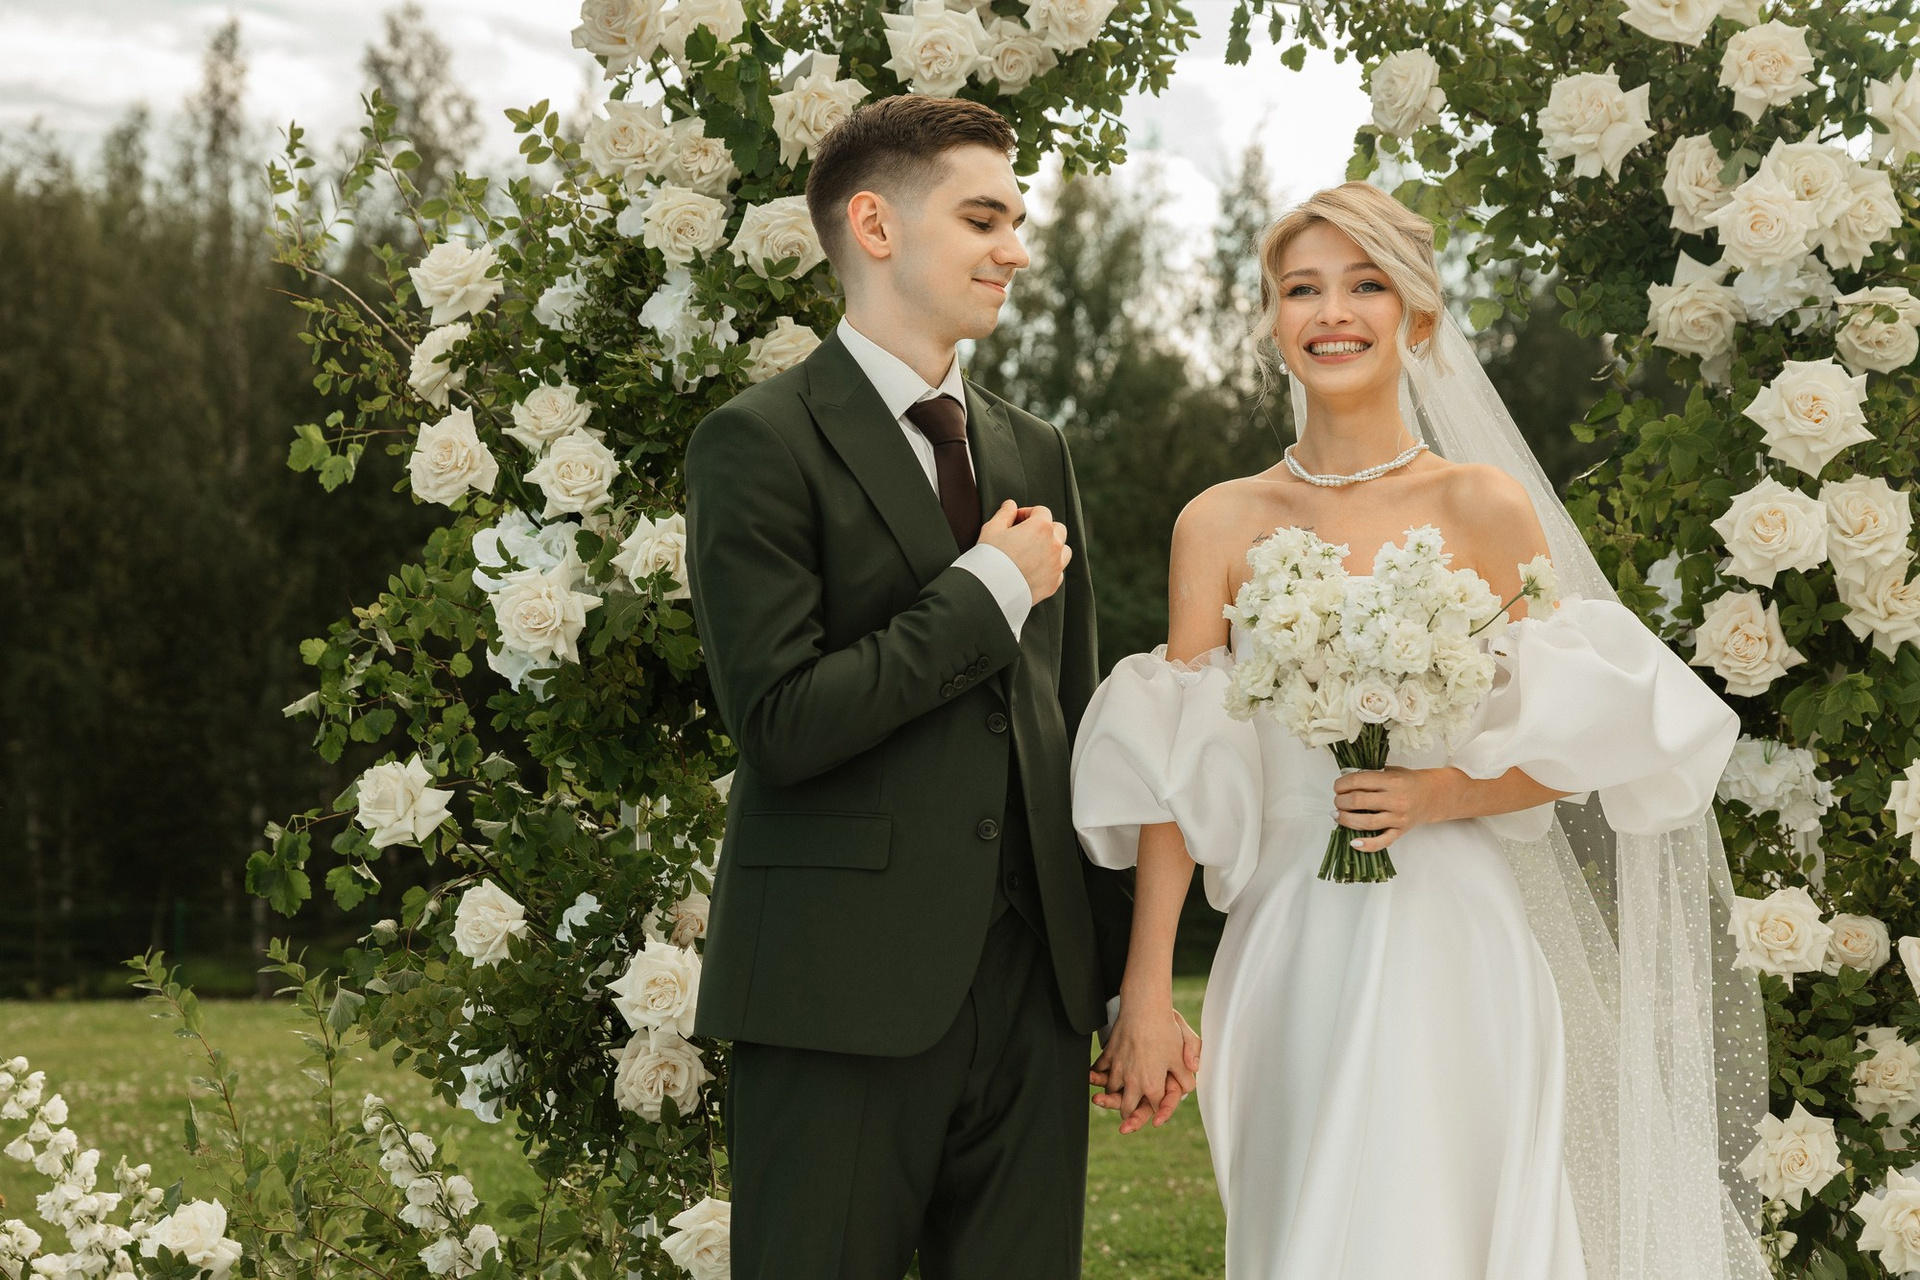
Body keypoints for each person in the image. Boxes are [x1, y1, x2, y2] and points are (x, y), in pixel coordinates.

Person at [1072, 182, 1773, 1279]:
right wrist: (1148, 991)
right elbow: (1175, 770)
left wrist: (1446, 793)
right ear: (1272, 317)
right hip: (1289, 937)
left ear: (1419, 314)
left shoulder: (1482, 506)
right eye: (1301, 289)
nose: (1331, 312)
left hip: (1457, 935)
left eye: (1365, 285)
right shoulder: (1217, 522)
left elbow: (1578, 739)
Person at [682, 94, 1194, 1279]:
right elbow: (781, 724)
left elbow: (1073, 732)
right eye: (982, 218)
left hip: (1035, 995)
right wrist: (984, 590)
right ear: (874, 224)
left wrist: (1130, 982)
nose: (1016, 249)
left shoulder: (1034, 447)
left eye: (1016, 220)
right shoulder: (756, 441)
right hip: (836, 992)